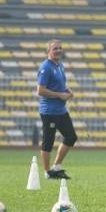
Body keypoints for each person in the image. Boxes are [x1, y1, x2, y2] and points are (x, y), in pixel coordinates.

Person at [37, 39, 76, 179]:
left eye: (60, 48)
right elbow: (40, 90)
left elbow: (60, 84)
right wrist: (60, 95)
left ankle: (57, 166)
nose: (58, 50)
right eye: (55, 49)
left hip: (61, 110)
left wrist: (67, 91)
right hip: (49, 111)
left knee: (71, 137)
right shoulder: (45, 67)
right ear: (48, 51)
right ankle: (47, 172)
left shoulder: (59, 65)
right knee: (48, 141)